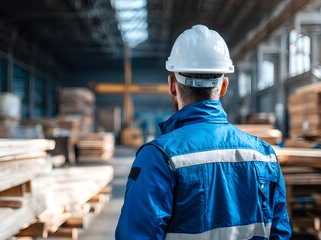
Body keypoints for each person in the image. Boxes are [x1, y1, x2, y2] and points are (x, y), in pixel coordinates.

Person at [115, 24, 291, 240]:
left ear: (172, 85)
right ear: (224, 86)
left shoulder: (158, 158)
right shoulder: (265, 155)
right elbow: (280, 234)